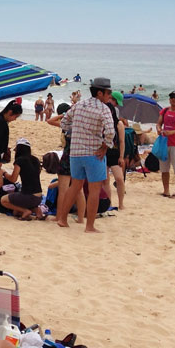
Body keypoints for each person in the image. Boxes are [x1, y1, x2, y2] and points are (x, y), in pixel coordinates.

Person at [58, 77, 115, 233]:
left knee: (75, 186)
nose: (110, 95)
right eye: (108, 92)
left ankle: (62, 219)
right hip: (93, 153)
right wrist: (105, 147)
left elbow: (64, 122)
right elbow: (110, 132)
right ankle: (89, 226)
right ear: (100, 93)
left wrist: (76, 131)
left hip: (75, 153)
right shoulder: (104, 109)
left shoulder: (79, 104)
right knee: (94, 189)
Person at [0, 138, 44, 220]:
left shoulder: (20, 161)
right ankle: (37, 211)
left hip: (28, 195)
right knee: (16, 212)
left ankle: (26, 211)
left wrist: (4, 173)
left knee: (3, 200)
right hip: (39, 196)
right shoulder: (36, 160)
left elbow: (13, 179)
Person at [103, 94, 126, 209]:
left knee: (119, 179)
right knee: (105, 181)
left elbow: (122, 141)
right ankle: (109, 204)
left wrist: (121, 157)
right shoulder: (102, 122)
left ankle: (121, 203)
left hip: (115, 153)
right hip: (103, 152)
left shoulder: (119, 124)